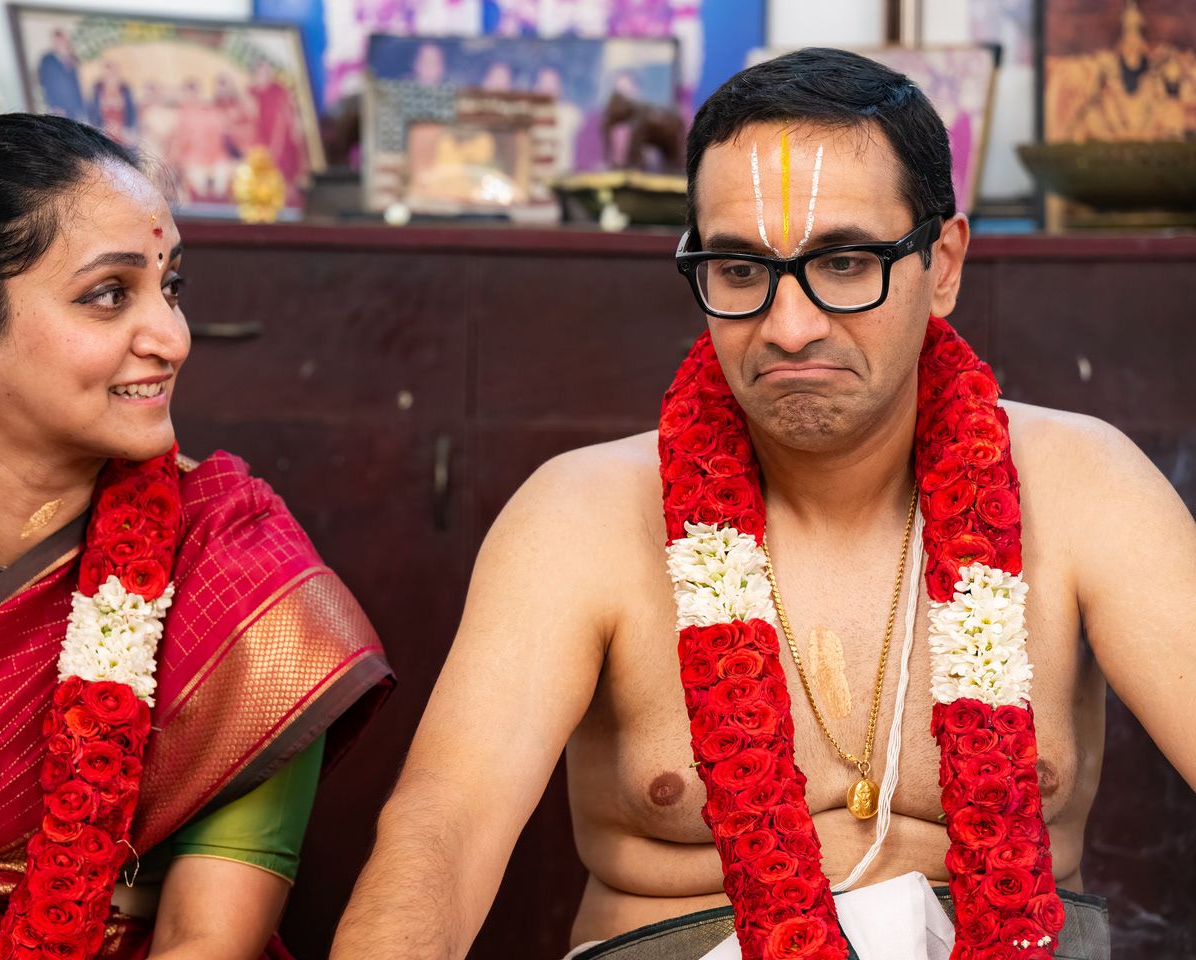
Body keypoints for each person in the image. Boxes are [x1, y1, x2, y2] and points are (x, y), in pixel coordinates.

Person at [332, 48, 1196, 960]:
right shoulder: (578, 517)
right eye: (741, 270)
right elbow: (440, 833)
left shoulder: (1084, 485)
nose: (790, 327)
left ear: (942, 265)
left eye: (846, 262)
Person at [0, 113, 392, 960]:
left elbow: (205, 945)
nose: (171, 339)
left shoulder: (234, 561)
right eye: (109, 294)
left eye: (171, 286)